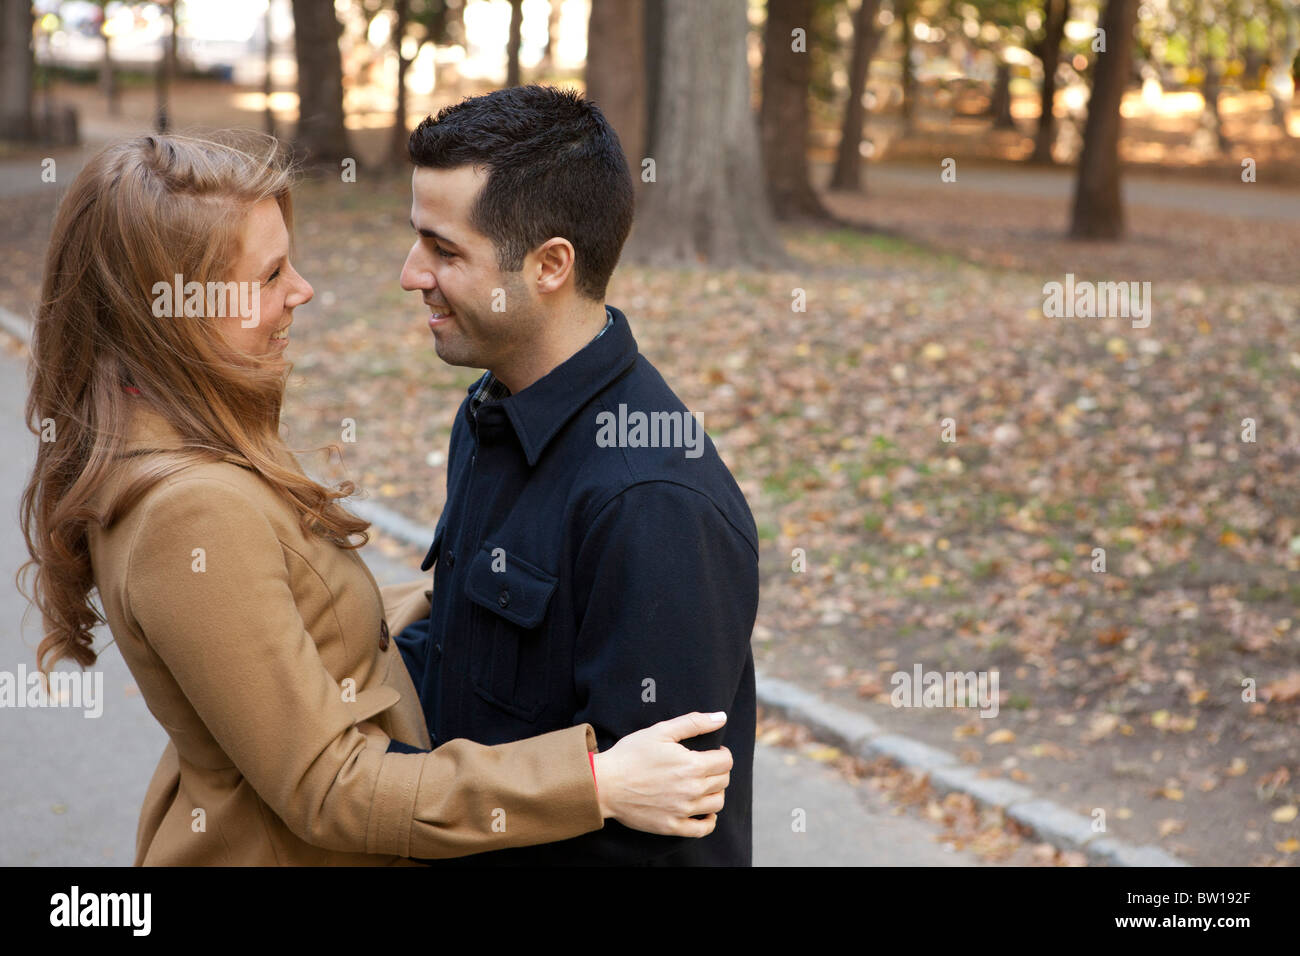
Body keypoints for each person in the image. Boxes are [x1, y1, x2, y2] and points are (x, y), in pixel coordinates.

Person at [17, 131, 734, 866]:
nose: (303, 290)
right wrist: (595, 782)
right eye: (269, 277)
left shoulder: (185, 439)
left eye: (443, 249)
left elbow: (300, 623)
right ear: (173, 308)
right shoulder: (189, 509)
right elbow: (329, 788)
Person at [393, 85, 760, 866]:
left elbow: (663, 844)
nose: (410, 274)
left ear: (549, 265)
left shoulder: (653, 505)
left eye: (444, 250)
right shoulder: (491, 413)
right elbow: (462, 675)